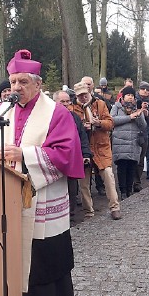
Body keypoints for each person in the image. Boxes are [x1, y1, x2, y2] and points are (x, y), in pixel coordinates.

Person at [0, 49, 83, 296]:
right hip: (6, 203)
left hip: (43, 203)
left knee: (44, 270)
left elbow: (67, 154)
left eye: (23, 81)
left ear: (37, 83)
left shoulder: (57, 113)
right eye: (13, 82)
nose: (17, 87)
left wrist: (25, 154)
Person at [71, 81, 122, 220]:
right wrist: (82, 127)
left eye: (85, 95)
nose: (83, 98)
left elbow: (110, 123)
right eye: (80, 96)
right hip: (83, 149)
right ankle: (89, 211)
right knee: (84, 182)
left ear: (90, 93)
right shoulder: (72, 108)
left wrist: (98, 123)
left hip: (101, 147)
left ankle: (114, 207)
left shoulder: (100, 104)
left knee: (108, 176)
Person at [53, 90, 92, 220]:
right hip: (55, 158)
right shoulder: (49, 117)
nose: (65, 104)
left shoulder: (74, 117)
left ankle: (71, 214)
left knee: (72, 188)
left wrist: (86, 154)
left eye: (67, 101)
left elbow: (82, 137)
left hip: (72, 158)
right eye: (62, 101)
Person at [111, 86, 147, 199]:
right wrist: (129, 117)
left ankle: (129, 190)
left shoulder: (137, 108)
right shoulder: (116, 107)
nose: (130, 98)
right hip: (120, 142)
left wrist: (139, 115)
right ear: (123, 96)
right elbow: (112, 121)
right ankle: (122, 191)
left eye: (132, 95)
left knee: (132, 167)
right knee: (122, 167)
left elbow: (143, 126)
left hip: (133, 142)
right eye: (128, 95)